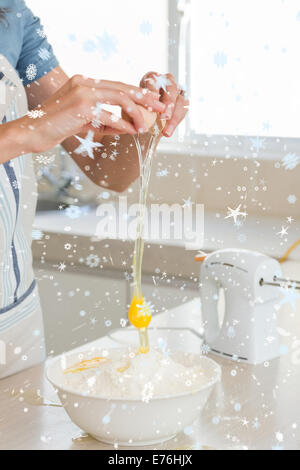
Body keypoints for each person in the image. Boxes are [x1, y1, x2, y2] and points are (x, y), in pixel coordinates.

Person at [0, 0, 189, 378]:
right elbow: (35, 128)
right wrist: (29, 130)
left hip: (14, 319)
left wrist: (146, 119)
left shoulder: (11, 17)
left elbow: (107, 168)